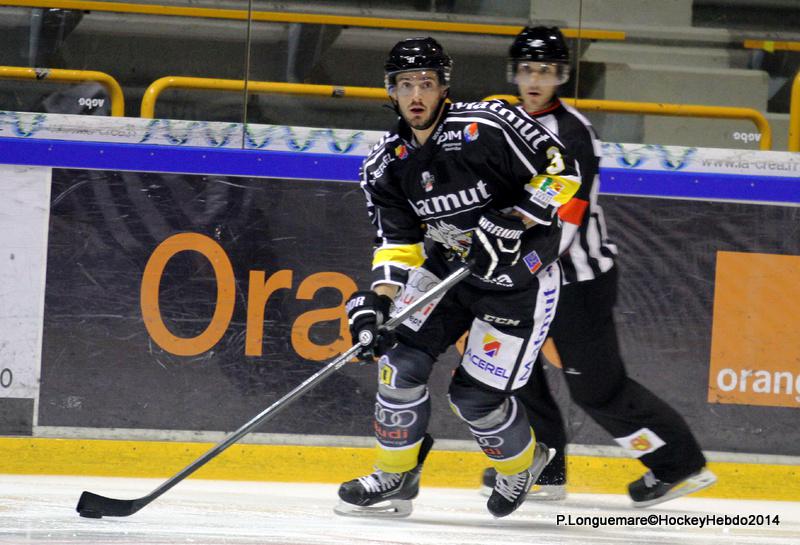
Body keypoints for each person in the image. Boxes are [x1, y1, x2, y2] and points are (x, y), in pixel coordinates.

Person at [334, 36, 582, 519]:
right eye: (406, 85)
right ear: (391, 91)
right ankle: (396, 475)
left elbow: (561, 169)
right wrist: (379, 302)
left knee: (474, 399)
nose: (416, 95)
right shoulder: (385, 164)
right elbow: (398, 242)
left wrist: (515, 220)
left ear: (444, 87)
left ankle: (524, 464)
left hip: (517, 281)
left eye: (426, 83)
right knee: (398, 362)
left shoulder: (488, 124)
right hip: (449, 268)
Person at [479, 25, 717, 507]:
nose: (535, 80)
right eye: (527, 69)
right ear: (514, 73)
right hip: (526, 277)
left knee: (597, 390)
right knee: (514, 371)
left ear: (561, 75)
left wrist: (520, 264)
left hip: (577, 282)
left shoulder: (573, 134)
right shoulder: (502, 123)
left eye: (545, 70)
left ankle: (678, 465)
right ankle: (544, 469)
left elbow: (569, 218)